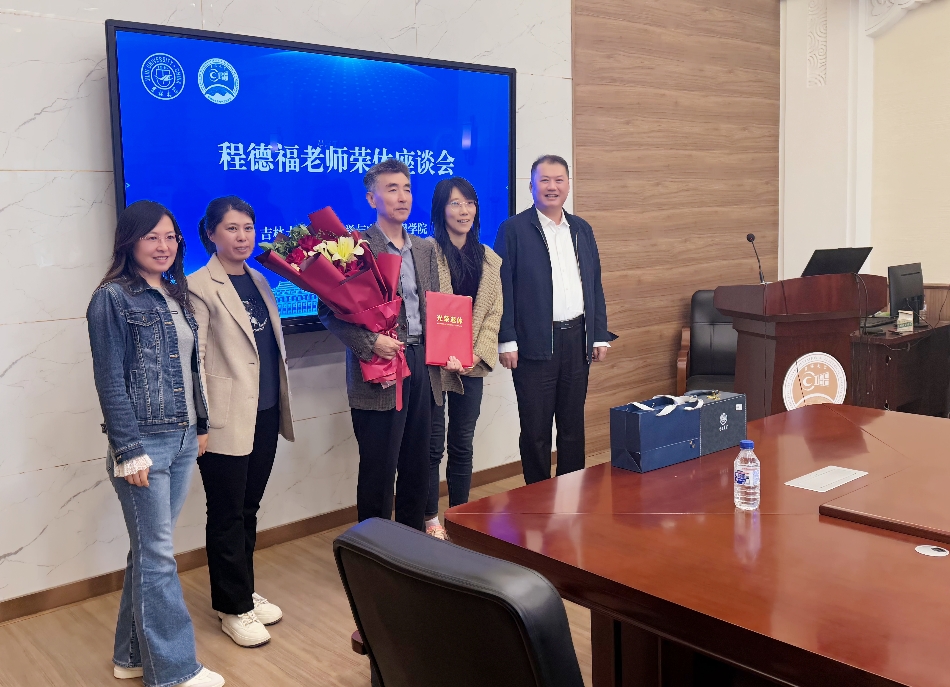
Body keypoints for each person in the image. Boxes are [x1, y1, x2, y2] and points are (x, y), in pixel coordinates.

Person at [86, 200, 224, 687]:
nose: (164, 246)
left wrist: (200, 424)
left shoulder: (174, 292)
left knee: (148, 553)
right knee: (159, 557)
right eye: (152, 237)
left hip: (183, 438)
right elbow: (110, 381)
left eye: (171, 237)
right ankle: (174, 670)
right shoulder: (112, 298)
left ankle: (130, 657)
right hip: (144, 443)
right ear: (130, 241)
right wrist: (128, 451)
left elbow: (191, 366)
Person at [188, 196, 295, 648]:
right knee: (227, 512)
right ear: (211, 233)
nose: (242, 237)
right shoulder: (198, 286)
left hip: (265, 412)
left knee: (248, 508)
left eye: (248, 228)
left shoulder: (259, 278)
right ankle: (231, 607)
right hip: (225, 419)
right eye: (231, 228)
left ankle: (243, 591)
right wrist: (200, 423)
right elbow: (193, 362)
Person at [319, 158, 443, 531]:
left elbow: (435, 306)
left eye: (407, 189)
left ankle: (411, 543)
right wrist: (371, 341)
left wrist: (448, 349)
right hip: (379, 368)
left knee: (418, 463)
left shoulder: (425, 248)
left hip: (422, 364)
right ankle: (373, 549)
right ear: (372, 199)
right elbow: (328, 311)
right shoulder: (355, 248)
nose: (402, 197)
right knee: (379, 467)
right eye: (392, 189)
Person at [494, 154, 615, 485]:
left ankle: (571, 492)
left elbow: (594, 284)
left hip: (577, 340)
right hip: (533, 344)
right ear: (531, 186)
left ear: (568, 185)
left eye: (559, 180)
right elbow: (502, 288)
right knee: (535, 429)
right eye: (544, 180)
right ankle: (537, 496)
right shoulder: (513, 230)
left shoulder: (581, 229)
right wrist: (507, 339)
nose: (552, 186)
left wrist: (599, 334)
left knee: (573, 426)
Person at [424, 177, 503, 539]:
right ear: (441, 209)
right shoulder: (425, 253)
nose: (464, 211)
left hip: (470, 366)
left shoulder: (490, 259)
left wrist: (474, 356)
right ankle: (430, 519)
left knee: (462, 442)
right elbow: (419, 311)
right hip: (433, 367)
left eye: (469, 203)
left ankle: (459, 514)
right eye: (455, 203)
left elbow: (493, 315)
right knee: (432, 446)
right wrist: (443, 353)